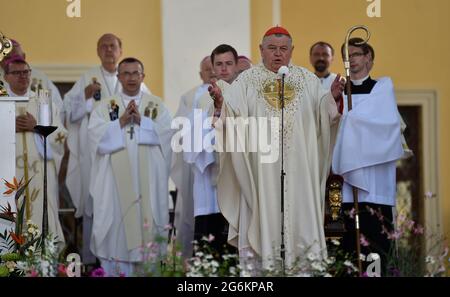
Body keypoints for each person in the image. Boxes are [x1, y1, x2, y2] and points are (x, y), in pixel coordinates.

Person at [207, 26, 344, 272]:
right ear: (261, 50)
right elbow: (230, 114)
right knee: (262, 220)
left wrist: (331, 100)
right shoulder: (246, 81)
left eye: (283, 49)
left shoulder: (307, 80)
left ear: (292, 51)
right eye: (271, 48)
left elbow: (325, 118)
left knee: (300, 229)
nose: (277, 54)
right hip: (261, 172)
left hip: (299, 173)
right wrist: (220, 105)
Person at [63, 33, 151, 264]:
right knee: (98, 201)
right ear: (97, 51)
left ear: (120, 50)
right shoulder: (87, 78)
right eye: (104, 46)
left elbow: (153, 117)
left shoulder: (140, 86)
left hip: (130, 154)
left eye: (112, 46)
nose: (108, 50)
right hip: (97, 154)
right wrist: (85, 96)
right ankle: (94, 259)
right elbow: (69, 112)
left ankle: (132, 256)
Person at [88, 57, 172, 276]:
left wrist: (144, 122)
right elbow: (94, 137)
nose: (131, 78)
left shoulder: (156, 105)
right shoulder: (106, 107)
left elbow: (169, 134)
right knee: (117, 231)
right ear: (118, 77)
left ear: (143, 76)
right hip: (115, 186)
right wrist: (121, 122)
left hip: (149, 184)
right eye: (126, 73)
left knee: (149, 240)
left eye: (136, 73)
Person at [332, 38, 410, 274]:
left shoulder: (381, 89)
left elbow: (388, 125)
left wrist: (353, 122)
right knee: (347, 243)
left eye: (356, 54)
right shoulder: (338, 92)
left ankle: (376, 273)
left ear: (368, 58)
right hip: (346, 180)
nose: (351, 59)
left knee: (375, 241)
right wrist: (333, 102)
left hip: (375, 174)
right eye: (347, 55)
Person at [173, 45, 240, 260]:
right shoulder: (201, 99)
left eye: (228, 63)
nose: (223, 69)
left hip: (239, 180)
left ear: (236, 65)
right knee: (210, 243)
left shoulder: (245, 93)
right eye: (219, 64)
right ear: (212, 67)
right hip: (210, 182)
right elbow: (188, 140)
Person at [4, 57, 66, 249]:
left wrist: (37, 127)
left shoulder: (44, 103)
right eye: (16, 73)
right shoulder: (1, 103)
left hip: (41, 177)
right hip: (8, 177)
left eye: (26, 72)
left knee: (42, 219)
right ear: (6, 77)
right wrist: (7, 127)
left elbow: (61, 137)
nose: (23, 77)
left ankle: (42, 264)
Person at [171, 56, 215, 260]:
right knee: (192, 211)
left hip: (220, 160)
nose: (212, 73)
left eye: (214, 68)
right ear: (200, 74)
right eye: (207, 69)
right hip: (195, 165)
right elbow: (179, 130)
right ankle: (190, 260)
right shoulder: (189, 97)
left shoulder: (230, 91)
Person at [0, 39, 64, 120]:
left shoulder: (40, 77)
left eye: (17, 57)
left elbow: (58, 109)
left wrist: (35, 125)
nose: (12, 62)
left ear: (24, 57)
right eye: (7, 58)